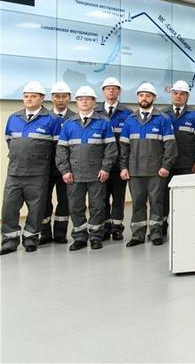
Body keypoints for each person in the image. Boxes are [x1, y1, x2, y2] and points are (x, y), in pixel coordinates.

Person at [1, 82, 61, 255]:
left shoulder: (52, 119)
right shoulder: (14, 118)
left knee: (36, 208)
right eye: (26, 96)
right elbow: (10, 141)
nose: (29, 99)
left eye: (33, 96)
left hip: (38, 173)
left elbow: (57, 148)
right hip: (15, 172)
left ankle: (31, 239)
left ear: (42, 98)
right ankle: (9, 241)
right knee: (9, 208)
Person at [55, 86, 117, 251]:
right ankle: (80, 237)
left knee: (97, 206)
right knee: (76, 207)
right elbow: (61, 150)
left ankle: (96, 236)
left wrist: (106, 168)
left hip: (97, 174)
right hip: (74, 175)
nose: (84, 101)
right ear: (76, 102)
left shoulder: (104, 122)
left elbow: (111, 149)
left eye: (87, 99)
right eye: (80, 99)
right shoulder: (69, 124)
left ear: (94, 102)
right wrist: (65, 170)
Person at [119, 83, 177, 247]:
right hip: (135, 171)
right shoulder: (130, 120)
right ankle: (137, 235)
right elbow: (123, 147)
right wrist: (123, 167)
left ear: (154, 98)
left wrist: (166, 166)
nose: (144, 98)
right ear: (138, 97)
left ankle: (156, 233)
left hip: (156, 171)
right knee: (137, 203)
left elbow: (170, 146)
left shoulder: (163, 119)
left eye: (148, 95)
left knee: (156, 202)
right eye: (141, 95)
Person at [161, 80, 195, 236]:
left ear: (187, 96)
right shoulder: (162, 114)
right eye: (175, 93)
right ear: (171, 94)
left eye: (182, 94)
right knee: (163, 197)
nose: (178, 96)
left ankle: (185, 228)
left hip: (187, 164)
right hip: (166, 165)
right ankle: (162, 226)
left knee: (186, 197)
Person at [96, 77, 132, 241]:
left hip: (119, 165)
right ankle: (104, 227)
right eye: (108, 88)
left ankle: (117, 228)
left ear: (119, 91)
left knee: (118, 198)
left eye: (114, 88)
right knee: (101, 198)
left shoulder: (128, 113)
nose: (111, 91)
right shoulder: (95, 112)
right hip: (100, 165)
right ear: (103, 91)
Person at [40, 81, 76, 245]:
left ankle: (60, 234)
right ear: (52, 98)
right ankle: (45, 234)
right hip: (46, 168)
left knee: (65, 201)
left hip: (67, 169)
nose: (60, 99)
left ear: (69, 98)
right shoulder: (44, 117)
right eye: (57, 96)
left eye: (64, 96)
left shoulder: (75, 118)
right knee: (44, 201)